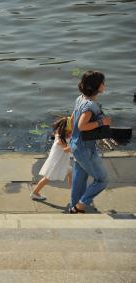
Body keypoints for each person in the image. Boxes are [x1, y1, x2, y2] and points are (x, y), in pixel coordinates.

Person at [69, 70, 110, 213]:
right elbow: (81, 126)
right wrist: (101, 122)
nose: (104, 85)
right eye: (103, 83)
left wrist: (71, 136)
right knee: (102, 180)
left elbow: (73, 118)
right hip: (86, 149)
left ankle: (74, 207)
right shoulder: (90, 106)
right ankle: (81, 204)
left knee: (79, 178)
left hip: (76, 145)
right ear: (97, 86)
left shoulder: (80, 99)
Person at [30, 117, 73, 200]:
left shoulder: (60, 133)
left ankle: (73, 192)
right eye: (71, 125)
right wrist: (74, 146)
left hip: (60, 160)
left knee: (70, 171)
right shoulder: (61, 139)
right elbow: (66, 150)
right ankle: (35, 193)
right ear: (67, 128)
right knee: (47, 177)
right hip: (57, 162)